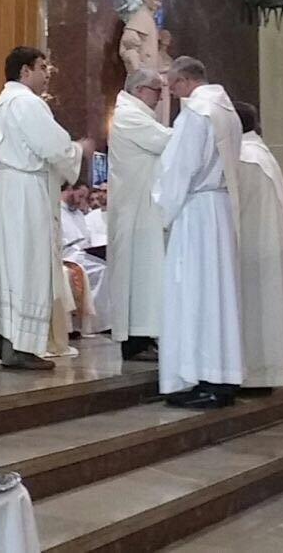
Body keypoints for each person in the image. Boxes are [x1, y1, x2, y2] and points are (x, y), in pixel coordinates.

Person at [0, 46, 91, 370]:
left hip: (4, 191)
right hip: (25, 194)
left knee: (6, 266)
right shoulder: (27, 103)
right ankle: (20, 346)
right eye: (41, 67)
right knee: (26, 265)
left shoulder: (1, 103)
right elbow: (54, 146)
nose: (46, 73)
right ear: (25, 71)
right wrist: (78, 149)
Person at [154, 56, 244, 408]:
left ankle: (202, 376)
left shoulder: (195, 113)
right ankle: (222, 375)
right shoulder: (228, 111)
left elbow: (180, 167)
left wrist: (162, 207)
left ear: (186, 80)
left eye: (173, 86)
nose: (174, 94)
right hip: (219, 208)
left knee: (195, 292)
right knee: (217, 293)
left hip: (196, 212)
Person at [234, 102, 283, 391]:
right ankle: (268, 373)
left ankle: (255, 374)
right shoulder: (263, 154)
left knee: (254, 311)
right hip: (268, 243)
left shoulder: (243, 156)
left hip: (252, 246)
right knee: (268, 311)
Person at [108, 68, 171, 362]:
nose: (160, 99)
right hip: (134, 210)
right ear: (139, 90)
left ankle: (145, 336)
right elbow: (164, 141)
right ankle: (135, 341)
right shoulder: (128, 116)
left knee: (147, 272)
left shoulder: (138, 114)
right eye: (157, 91)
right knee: (139, 273)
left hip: (145, 207)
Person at [59, 182, 108, 336]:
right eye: (80, 196)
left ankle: (102, 321)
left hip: (84, 254)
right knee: (102, 270)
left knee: (106, 267)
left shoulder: (78, 214)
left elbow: (87, 238)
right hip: (68, 255)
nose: (81, 201)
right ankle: (96, 323)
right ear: (69, 191)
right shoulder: (57, 212)